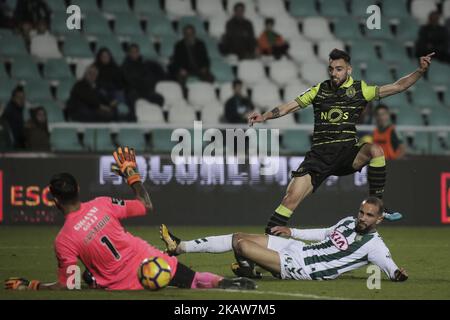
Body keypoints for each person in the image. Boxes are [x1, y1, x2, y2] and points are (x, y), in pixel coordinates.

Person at [244, 48, 434, 277]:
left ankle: (379, 203)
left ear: (348, 69)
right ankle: (260, 255)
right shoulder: (319, 90)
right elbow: (290, 106)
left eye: (339, 69)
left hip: (347, 153)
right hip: (319, 157)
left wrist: (420, 71)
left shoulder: (360, 89)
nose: (334, 73)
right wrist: (265, 116)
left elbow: (397, 86)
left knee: (375, 150)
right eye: (332, 69)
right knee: (289, 200)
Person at [4, 147, 256, 291]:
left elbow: (68, 286)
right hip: (151, 259)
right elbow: (146, 205)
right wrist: (131, 174)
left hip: (122, 284)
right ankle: (222, 282)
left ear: (55, 200)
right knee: (194, 280)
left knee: (90, 278)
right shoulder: (102, 204)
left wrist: (32, 285)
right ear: (78, 189)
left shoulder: (64, 240)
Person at [160, 197, 408, 282]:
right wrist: (293, 232)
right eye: (362, 212)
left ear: (378, 219)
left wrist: (398, 274)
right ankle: (179, 246)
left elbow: (391, 269)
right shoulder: (347, 221)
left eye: (369, 215)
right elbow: (324, 233)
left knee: (243, 246)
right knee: (238, 236)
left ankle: (248, 268)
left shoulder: (374, 245)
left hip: (304, 268)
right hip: (299, 248)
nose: (363, 218)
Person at [121, 44, 165, 110]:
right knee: (133, 97)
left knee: (159, 98)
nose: (134, 54)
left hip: (146, 91)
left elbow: (158, 70)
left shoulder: (145, 63)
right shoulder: (125, 66)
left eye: (136, 52)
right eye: (132, 52)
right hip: (134, 92)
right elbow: (130, 81)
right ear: (129, 53)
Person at [94, 48, 129, 118]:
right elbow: (94, 83)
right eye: (103, 56)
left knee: (120, 93)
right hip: (102, 93)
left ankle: (115, 106)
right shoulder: (94, 68)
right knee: (101, 92)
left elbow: (122, 83)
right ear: (99, 57)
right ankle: (111, 106)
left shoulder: (115, 68)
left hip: (115, 93)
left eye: (107, 56)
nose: (105, 58)